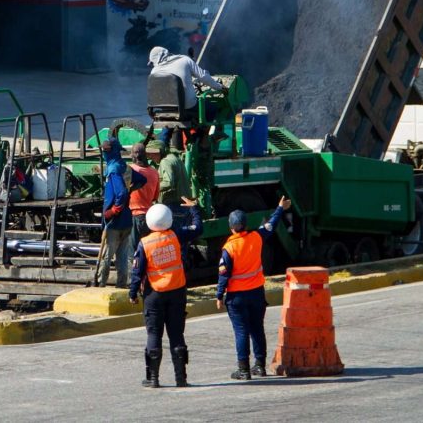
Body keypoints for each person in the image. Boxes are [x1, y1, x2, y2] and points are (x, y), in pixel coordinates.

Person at [216, 195, 292, 380]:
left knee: (241, 331)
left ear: (231, 227)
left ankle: (243, 370)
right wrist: (280, 208)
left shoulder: (229, 248)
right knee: (257, 329)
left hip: (237, 297)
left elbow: (223, 274)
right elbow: (272, 225)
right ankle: (260, 366)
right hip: (257, 293)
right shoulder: (256, 237)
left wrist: (219, 295)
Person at [129, 201, 203, 388]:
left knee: (154, 334)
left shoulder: (145, 243)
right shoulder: (176, 235)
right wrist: (194, 209)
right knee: (177, 334)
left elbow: (137, 272)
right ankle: (181, 378)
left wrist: (133, 293)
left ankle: (153, 378)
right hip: (177, 291)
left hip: (154, 294)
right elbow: (198, 228)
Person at [96, 137, 134, 288]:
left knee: (107, 255)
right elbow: (140, 181)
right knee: (122, 256)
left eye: (105, 150)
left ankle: (100, 283)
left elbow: (121, 193)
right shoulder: (126, 167)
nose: (103, 153)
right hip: (127, 219)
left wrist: (114, 210)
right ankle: (121, 284)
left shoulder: (113, 170)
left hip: (115, 221)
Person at [148, 46, 223, 112]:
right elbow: (203, 77)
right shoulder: (185, 60)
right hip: (188, 105)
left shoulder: (154, 72)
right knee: (213, 108)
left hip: (164, 108)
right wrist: (219, 87)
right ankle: (207, 127)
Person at [155, 131, 196, 213]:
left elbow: (168, 182)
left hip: (174, 204)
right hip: (182, 202)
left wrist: (153, 188)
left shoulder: (165, 161)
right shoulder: (175, 158)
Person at [128, 141, 159, 241]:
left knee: (132, 252)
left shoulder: (130, 170)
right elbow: (155, 196)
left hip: (134, 215)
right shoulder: (154, 172)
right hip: (149, 217)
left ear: (134, 156)